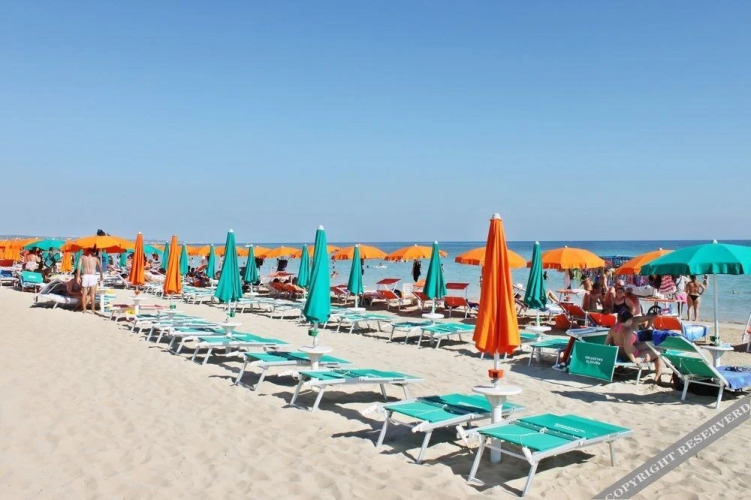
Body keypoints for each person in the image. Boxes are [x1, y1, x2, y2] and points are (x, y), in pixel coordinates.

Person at [606, 311, 665, 384]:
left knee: (652, 346)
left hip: (619, 354)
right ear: (629, 320)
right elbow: (627, 347)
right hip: (631, 356)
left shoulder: (613, 328)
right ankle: (657, 378)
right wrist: (634, 359)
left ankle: (657, 378)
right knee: (659, 352)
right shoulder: (628, 330)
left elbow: (606, 342)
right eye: (631, 320)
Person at [76, 247, 103, 313]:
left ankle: (84, 310)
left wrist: (78, 276)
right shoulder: (96, 257)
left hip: (85, 276)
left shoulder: (82, 256)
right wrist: (101, 275)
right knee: (92, 294)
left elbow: (79, 267)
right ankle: (93, 311)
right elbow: (100, 267)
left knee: (84, 294)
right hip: (93, 276)